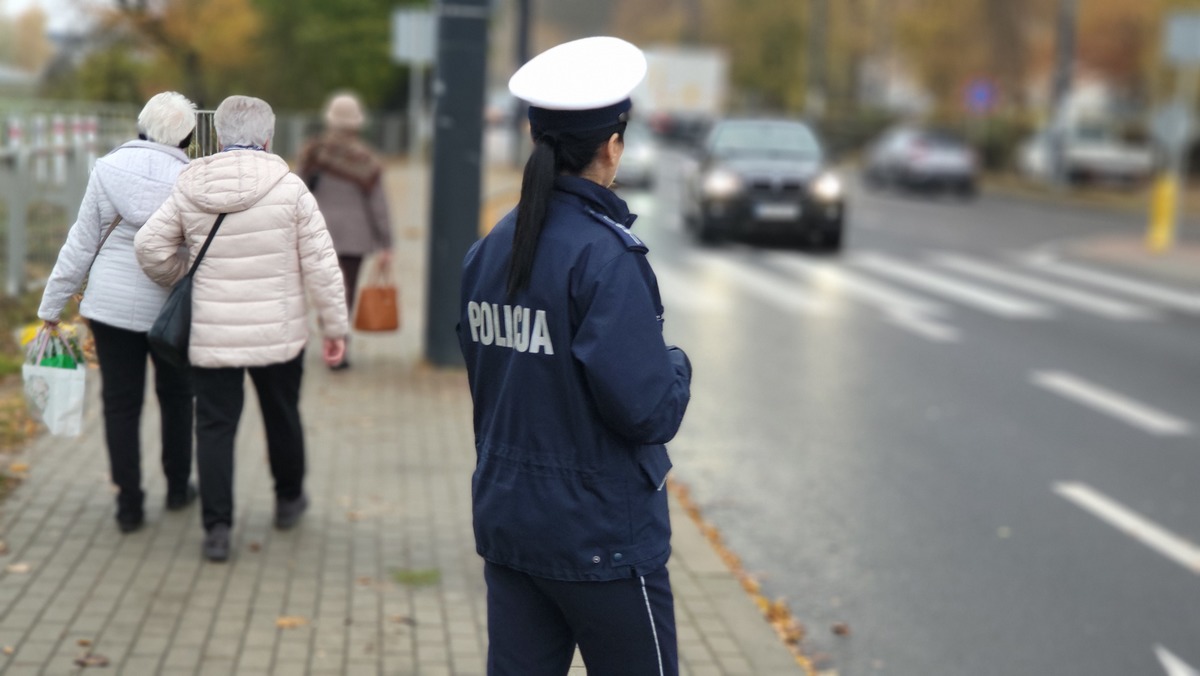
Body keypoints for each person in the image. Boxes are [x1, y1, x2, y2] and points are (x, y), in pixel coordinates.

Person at [457, 37, 693, 676]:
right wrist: (677, 364)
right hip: (601, 538)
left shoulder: (488, 251)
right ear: (612, 145)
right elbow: (647, 411)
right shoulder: (605, 258)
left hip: (511, 524)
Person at [135, 95, 348, 562]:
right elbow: (322, 266)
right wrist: (335, 328)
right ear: (269, 138)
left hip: (213, 333)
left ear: (218, 136)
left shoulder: (191, 185)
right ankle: (289, 500)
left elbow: (149, 245)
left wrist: (182, 275)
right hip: (279, 332)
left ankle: (216, 529)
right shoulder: (290, 189)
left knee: (214, 427)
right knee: (282, 416)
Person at [38, 91, 199, 534]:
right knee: (177, 397)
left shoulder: (108, 169)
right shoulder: (192, 180)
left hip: (109, 307)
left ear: (140, 127)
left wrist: (52, 306)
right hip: (171, 308)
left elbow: (82, 242)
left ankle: (129, 505)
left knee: (120, 405)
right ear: (187, 137)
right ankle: (178, 486)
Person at [296, 92, 394, 370]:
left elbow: (296, 188)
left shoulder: (312, 152)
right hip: (355, 237)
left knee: (323, 286)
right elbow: (378, 205)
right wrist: (386, 243)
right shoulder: (365, 159)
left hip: (317, 233)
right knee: (345, 291)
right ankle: (338, 348)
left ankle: (327, 327)